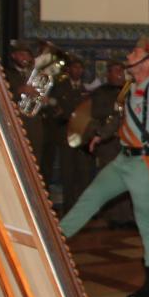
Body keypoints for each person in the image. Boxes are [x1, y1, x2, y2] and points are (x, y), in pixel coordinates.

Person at [59, 39, 149, 297]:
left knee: (146, 222)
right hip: (122, 160)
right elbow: (121, 118)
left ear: (146, 62)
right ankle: (54, 244)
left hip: (144, 163)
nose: (129, 54)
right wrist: (101, 136)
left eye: (135, 52)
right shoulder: (130, 85)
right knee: (89, 200)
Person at [86, 60, 134, 227]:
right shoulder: (101, 92)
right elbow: (96, 113)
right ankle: (114, 216)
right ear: (108, 74)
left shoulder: (130, 90)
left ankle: (128, 216)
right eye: (115, 71)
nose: (119, 74)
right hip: (109, 141)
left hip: (127, 139)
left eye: (121, 71)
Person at [48, 57, 94, 210]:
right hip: (65, 134)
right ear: (69, 70)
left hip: (81, 136)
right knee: (67, 172)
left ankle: (83, 207)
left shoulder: (85, 90)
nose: (78, 71)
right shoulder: (60, 88)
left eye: (80, 68)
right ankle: (69, 206)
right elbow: (54, 109)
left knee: (83, 172)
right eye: (75, 67)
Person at [5, 41, 47, 182]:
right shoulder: (6, 73)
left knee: (35, 162)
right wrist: (20, 90)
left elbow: (40, 98)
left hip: (34, 124)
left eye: (28, 55)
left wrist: (43, 99)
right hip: (15, 122)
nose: (25, 58)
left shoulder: (36, 74)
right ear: (13, 55)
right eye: (21, 54)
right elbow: (1, 93)